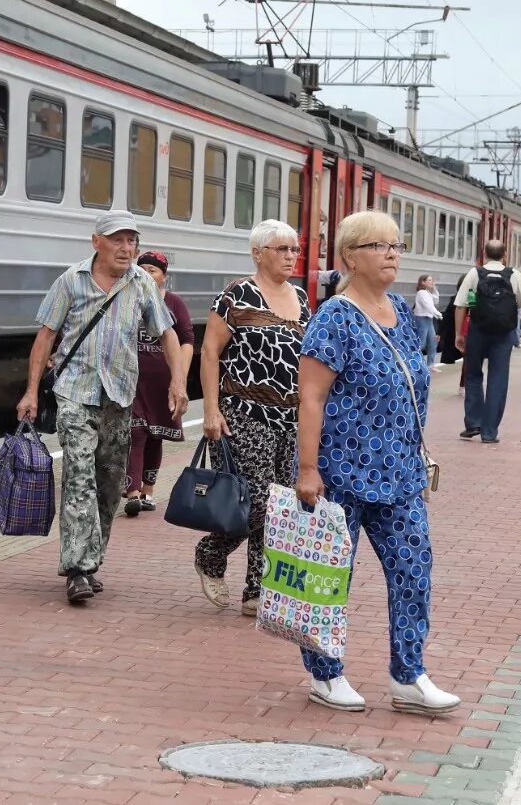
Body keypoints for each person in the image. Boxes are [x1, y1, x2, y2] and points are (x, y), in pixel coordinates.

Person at [295, 210, 458, 715]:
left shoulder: (403, 311)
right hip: (340, 471)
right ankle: (326, 674)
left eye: (395, 244)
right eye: (378, 245)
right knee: (329, 576)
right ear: (349, 257)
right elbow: (311, 398)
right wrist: (307, 469)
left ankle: (408, 675)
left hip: (400, 471)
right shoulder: (334, 318)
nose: (392, 253)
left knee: (413, 569)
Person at [17, 212, 186, 605]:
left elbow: (167, 333)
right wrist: (30, 392)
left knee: (111, 483)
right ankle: (76, 567)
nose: (127, 249)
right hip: (76, 391)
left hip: (120, 396)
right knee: (78, 475)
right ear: (97, 242)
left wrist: (178, 382)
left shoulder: (142, 283)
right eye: (118, 241)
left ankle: (92, 560)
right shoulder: (70, 281)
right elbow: (45, 338)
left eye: (132, 241)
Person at [195, 220, 313, 616]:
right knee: (255, 501)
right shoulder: (237, 293)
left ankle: (255, 591)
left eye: (294, 249)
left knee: (279, 506)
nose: (290, 256)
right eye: (281, 249)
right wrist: (210, 410)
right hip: (243, 413)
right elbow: (210, 353)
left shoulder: (300, 297)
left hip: (290, 419)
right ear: (257, 253)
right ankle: (211, 552)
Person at [124, 250, 194, 517]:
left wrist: (180, 377)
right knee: (136, 432)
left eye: (152, 270)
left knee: (155, 436)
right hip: (132, 381)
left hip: (161, 383)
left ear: (164, 276)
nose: (146, 273)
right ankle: (132, 492)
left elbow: (187, 339)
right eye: (141, 268)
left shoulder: (174, 303)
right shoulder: (129, 299)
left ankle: (148, 491)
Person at [454, 240, 521, 444]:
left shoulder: (475, 274)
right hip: (503, 334)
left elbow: (460, 305)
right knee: (498, 380)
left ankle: (473, 422)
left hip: (477, 332)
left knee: (473, 375)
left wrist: (459, 334)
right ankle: (489, 432)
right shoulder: (514, 275)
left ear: (484, 254)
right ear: (505, 255)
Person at [413, 274, 442, 371]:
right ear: (423, 282)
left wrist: (434, 289)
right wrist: (437, 314)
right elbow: (428, 305)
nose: (432, 282)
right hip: (422, 319)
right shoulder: (421, 293)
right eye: (429, 280)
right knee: (422, 343)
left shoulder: (427, 292)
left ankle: (431, 364)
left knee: (433, 342)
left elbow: (436, 301)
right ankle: (416, 364)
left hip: (428, 319)